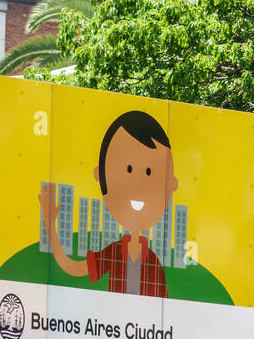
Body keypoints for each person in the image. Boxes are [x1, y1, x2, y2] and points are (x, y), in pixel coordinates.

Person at [38, 111, 178, 297]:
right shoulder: (114, 252)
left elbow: (165, 305)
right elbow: (72, 267)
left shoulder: (153, 262)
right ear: (100, 174)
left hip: (145, 326)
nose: (136, 185)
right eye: (128, 169)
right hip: (114, 326)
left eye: (149, 172)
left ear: (172, 185)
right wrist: (50, 226)